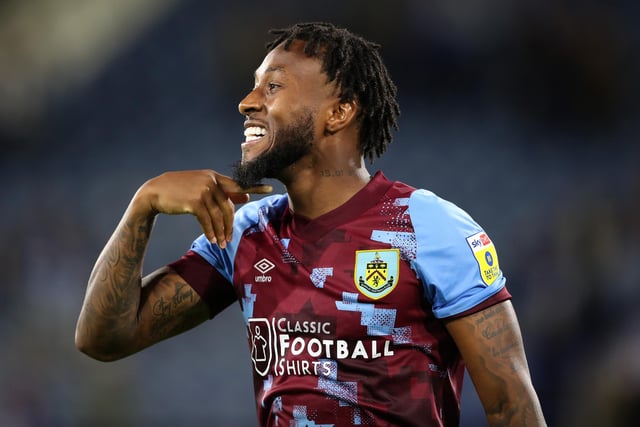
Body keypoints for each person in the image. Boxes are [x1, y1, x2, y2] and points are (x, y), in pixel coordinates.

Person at [75, 22, 547, 426]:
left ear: (339, 112)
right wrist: (143, 205)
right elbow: (104, 338)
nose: (247, 101)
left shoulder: (428, 229)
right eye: (254, 84)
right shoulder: (245, 234)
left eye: (273, 86)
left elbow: (512, 407)